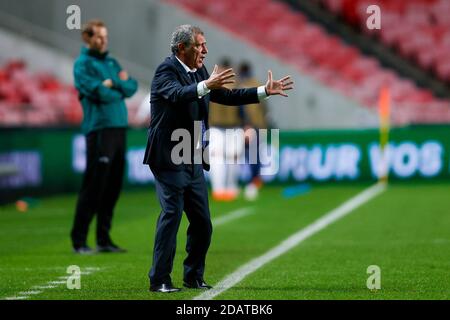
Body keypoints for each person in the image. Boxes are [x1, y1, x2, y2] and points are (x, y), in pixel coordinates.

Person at [143, 25, 293, 293]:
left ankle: (193, 276)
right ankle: (160, 279)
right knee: (172, 214)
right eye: (200, 45)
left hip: (192, 152)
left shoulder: (200, 71)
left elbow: (226, 96)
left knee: (202, 222)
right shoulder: (166, 71)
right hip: (168, 153)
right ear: (182, 48)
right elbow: (178, 95)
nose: (205, 50)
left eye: (204, 45)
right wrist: (205, 85)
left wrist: (263, 91)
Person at [70, 19, 138, 254]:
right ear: (87, 38)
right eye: (99, 36)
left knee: (113, 186)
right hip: (99, 128)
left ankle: (103, 238)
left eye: (105, 36)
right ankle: (79, 240)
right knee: (94, 185)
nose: (103, 40)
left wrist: (114, 83)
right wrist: (115, 87)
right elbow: (99, 93)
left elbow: (131, 87)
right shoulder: (82, 64)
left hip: (119, 128)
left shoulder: (111, 61)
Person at [208, 58, 245, 201]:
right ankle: (229, 189)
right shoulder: (235, 82)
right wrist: (246, 124)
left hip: (217, 126)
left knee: (219, 158)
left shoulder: (210, 83)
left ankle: (220, 190)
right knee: (232, 158)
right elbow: (242, 106)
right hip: (230, 126)